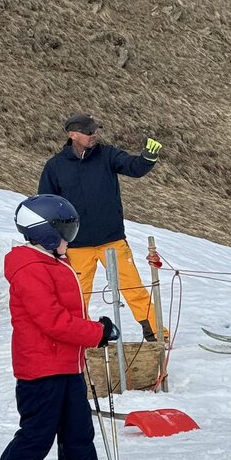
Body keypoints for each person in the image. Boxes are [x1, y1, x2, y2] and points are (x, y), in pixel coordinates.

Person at [0, 194, 121, 460]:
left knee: (78, 430)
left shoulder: (53, 262)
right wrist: (96, 333)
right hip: (40, 369)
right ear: (45, 233)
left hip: (68, 365)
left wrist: (95, 329)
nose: (70, 239)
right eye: (66, 232)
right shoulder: (31, 268)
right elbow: (52, 321)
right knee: (38, 434)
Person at [38, 113, 162, 340]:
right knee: (77, 296)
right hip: (76, 245)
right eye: (88, 132)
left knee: (133, 288)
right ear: (72, 135)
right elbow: (46, 204)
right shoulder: (55, 166)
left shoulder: (107, 155)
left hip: (112, 240)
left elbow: (133, 167)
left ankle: (156, 333)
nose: (93, 135)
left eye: (94, 130)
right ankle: (78, 337)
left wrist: (147, 158)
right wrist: (52, 240)